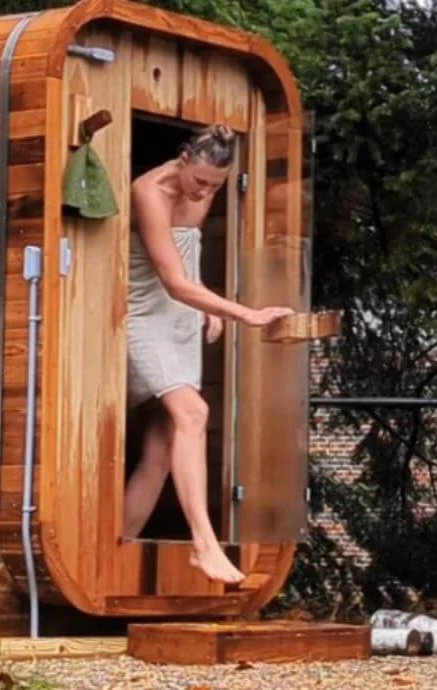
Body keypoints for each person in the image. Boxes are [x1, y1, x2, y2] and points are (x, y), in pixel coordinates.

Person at [123, 123, 293, 584]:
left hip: (182, 318)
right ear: (182, 159)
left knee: (161, 450)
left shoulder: (206, 188)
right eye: (199, 181)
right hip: (143, 318)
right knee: (194, 414)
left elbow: (187, 265)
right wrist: (243, 313)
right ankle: (205, 543)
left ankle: (115, 551)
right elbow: (171, 279)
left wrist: (207, 306)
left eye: (215, 185)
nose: (203, 192)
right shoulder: (149, 191)